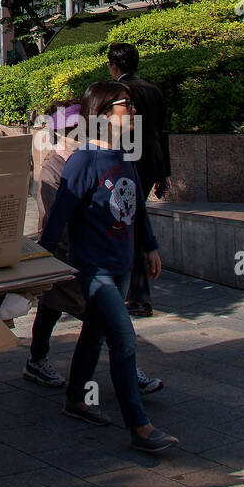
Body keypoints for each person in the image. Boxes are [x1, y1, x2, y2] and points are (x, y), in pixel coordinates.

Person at [39, 81, 177, 453]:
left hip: (122, 265)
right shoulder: (83, 160)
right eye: (125, 104)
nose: (132, 111)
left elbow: (139, 209)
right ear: (101, 113)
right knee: (124, 339)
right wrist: (39, 267)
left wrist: (149, 247)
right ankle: (140, 426)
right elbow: (57, 219)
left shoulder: (123, 156)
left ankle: (76, 400)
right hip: (93, 268)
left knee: (95, 334)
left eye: (132, 105)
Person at [24, 113, 163, 396]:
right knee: (56, 310)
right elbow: (54, 216)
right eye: (72, 129)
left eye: (80, 127)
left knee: (95, 319)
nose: (77, 133)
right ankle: (40, 361)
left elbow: (133, 205)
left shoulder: (101, 157)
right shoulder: (55, 166)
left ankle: (82, 388)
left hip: (90, 255)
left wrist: (146, 245)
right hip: (69, 255)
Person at [106, 42, 171, 317]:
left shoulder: (121, 93)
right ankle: (136, 295)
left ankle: (138, 296)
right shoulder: (154, 90)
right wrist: (164, 172)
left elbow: (117, 133)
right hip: (151, 162)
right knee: (135, 221)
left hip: (128, 163)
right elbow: (163, 132)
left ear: (114, 65)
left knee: (128, 226)